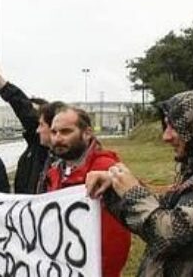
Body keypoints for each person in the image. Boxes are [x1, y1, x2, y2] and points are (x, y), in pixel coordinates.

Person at [86, 90, 193, 276]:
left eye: (175, 127)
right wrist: (114, 188)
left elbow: (168, 236)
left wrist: (133, 193)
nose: (166, 136)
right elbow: (163, 210)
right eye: (166, 126)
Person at [45, 106, 130, 277]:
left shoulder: (105, 168)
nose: (57, 138)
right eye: (54, 132)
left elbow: (114, 238)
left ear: (87, 133)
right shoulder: (54, 173)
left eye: (66, 131)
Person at [0, 50, 50, 194]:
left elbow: (23, 108)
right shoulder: (31, 150)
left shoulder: (46, 151)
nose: (31, 120)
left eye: (36, 116)